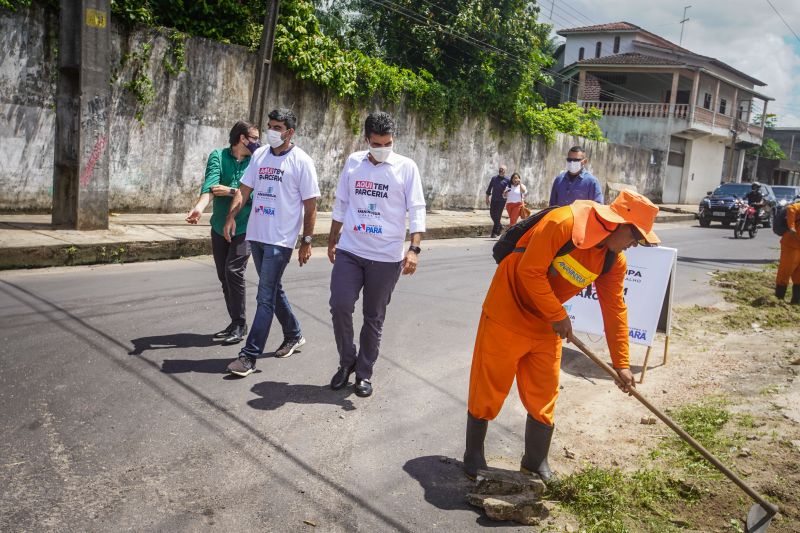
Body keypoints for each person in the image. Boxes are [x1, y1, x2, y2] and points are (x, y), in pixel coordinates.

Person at [463, 190, 660, 481]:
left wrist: (621, 363)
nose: (635, 244)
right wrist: (558, 315)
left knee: (543, 390)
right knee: (490, 383)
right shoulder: (563, 223)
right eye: (636, 236)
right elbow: (530, 271)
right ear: (617, 222)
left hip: (545, 324)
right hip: (508, 309)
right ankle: (473, 454)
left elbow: (615, 310)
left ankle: (535, 461)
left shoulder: (612, 261)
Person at [327, 111, 426, 398]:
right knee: (340, 305)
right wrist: (332, 238)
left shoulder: (406, 168)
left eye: (388, 143)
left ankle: (364, 373)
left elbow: (416, 209)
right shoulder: (353, 162)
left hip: (386, 257)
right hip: (351, 250)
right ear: (367, 139)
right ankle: (347, 362)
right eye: (377, 143)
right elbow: (342, 201)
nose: (383, 149)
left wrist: (414, 249)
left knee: (373, 316)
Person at [224, 108, 321, 377]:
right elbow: (244, 190)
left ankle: (249, 356)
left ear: (290, 132)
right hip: (257, 235)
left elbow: (311, 206)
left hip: (281, 240)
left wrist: (307, 241)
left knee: (264, 296)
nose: (271, 131)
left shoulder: (302, 162)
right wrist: (231, 217)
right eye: (270, 126)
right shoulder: (260, 155)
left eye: (277, 127)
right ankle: (293, 333)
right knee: (273, 289)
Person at [186, 120, 260, 345]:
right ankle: (236, 321)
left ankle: (239, 324)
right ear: (241, 138)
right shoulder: (218, 156)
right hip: (219, 225)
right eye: (254, 138)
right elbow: (210, 187)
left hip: (245, 225)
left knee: (233, 270)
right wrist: (198, 209)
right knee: (223, 276)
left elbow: (257, 195)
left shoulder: (257, 161)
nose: (258, 143)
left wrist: (230, 191)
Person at [775, 199, 800, 304]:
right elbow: (791, 208)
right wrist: (791, 227)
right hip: (791, 244)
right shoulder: (797, 206)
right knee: (785, 271)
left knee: (799, 275)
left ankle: (796, 301)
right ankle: (778, 300)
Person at [485, 165, 510, 237]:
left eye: (502, 169)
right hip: (494, 199)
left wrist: (506, 193)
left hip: (502, 200)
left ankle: (494, 233)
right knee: (492, 214)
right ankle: (500, 226)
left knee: (498, 215)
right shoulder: (494, 178)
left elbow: (510, 189)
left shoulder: (508, 180)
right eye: (500, 169)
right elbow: (489, 188)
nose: (501, 170)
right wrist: (487, 198)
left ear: (505, 171)